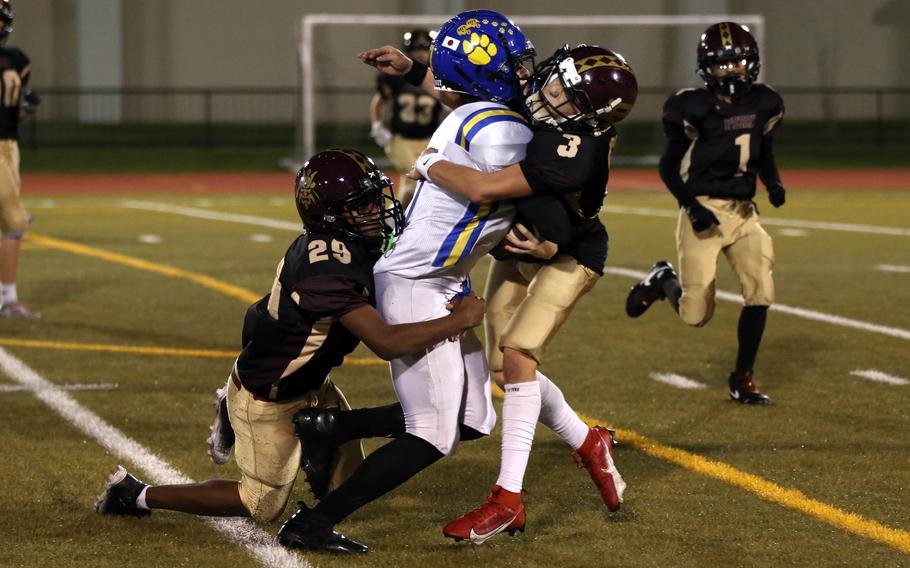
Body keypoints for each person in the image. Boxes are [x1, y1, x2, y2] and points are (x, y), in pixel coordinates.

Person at [94, 149, 486, 553]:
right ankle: (135, 494)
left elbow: (257, 315)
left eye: (375, 198)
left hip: (308, 379)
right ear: (331, 214)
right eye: (362, 205)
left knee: (345, 482)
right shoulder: (328, 266)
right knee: (261, 502)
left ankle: (285, 429)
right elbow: (385, 342)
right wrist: (459, 320)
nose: (377, 210)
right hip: (270, 396)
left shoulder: (342, 244)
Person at [275, 10, 536, 553]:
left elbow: (458, 105)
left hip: (437, 278)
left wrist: (412, 72)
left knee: (472, 417)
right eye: (514, 61)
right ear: (486, 71)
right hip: (421, 280)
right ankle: (312, 523)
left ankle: (331, 429)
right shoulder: (501, 124)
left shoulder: (477, 112)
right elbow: (522, 181)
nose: (524, 71)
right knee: (431, 435)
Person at [411, 44, 639, 542]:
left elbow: (483, 189)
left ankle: (507, 499)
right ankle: (589, 441)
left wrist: (429, 165)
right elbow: (476, 90)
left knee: (517, 355)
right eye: (555, 79)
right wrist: (412, 68)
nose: (549, 92)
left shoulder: (574, 148)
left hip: (570, 251)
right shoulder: (544, 103)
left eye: (566, 94)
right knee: (502, 367)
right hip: (527, 245)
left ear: (589, 115)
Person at [624, 22, 786, 405]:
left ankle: (742, 376)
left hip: (744, 212)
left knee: (761, 292)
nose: (731, 71)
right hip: (705, 209)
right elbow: (667, 167)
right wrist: (692, 207)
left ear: (752, 63)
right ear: (705, 68)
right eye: (722, 64)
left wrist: (773, 182)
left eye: (737, 62)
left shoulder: (765, 102)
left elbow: (764, 153)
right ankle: (663, 278)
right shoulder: (691, 106)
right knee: (695, 314)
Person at [370, 29, 445, 208]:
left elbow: (447, 107)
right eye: (416, 49)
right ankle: (395, 223)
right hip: (401, 139)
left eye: (424, 49)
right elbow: (379, 100)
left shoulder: (438, 75)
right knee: (415, 180)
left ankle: (396, 220)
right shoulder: (397, 75)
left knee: (418, 184)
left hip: (428, 140)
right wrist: (377, 126)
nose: (420, 53)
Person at [0, 0, 40, 319]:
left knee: (9, 224)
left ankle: (7, 295)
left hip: (10, 146)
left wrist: (27, 109)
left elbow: (15, 113)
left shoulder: (18, 59)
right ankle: (10, 299)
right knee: (14, 219)